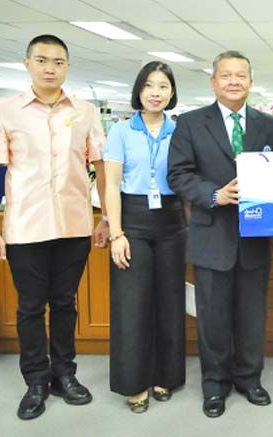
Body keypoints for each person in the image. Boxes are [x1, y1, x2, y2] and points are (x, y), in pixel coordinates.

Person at [0, 34, 108, 420]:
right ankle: (35, 379)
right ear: (27, 64)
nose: (50, 68)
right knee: (31, 307)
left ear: (67, 66)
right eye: (42, 60)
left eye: (59, 62)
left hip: (74, 225)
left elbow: (101, 169)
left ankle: (65, 373)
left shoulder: (84, 111)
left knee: (66, 303)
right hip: (25, 228)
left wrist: (106, 219)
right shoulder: (5, 110)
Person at [167, 50, 273, 419]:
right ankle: (214, 385)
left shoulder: (268, 125)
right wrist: (214, 195)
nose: (234, 81)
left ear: (251, 81)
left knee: (252, 316)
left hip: (255, 237)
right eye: (226, 75)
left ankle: (249, 379)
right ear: (213, 81)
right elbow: (178, 174)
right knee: (213, 318)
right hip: (210, 234)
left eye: (241, 75)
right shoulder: (189, 123)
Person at [103, 61, 186, 413]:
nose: (156, 92)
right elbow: (109, 184)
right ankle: (133, 383)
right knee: (132, 305)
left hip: (171, 220)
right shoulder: (121, 131)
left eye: (163, 86)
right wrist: (116, 233)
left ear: (171, 93)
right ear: (139, 90)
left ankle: (165, 375)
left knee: (169, 302)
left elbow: (185, 181)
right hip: (132, 220)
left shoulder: (180, 130)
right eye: (150, 85)